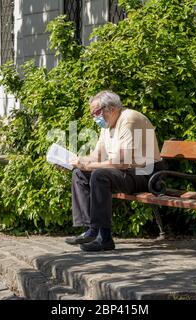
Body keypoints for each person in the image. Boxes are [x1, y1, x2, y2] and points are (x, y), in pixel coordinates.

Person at [65, 90, 167, 251]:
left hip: (147, 173)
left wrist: (89, 166)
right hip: (128, 171)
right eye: (92, 114)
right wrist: (75, 162)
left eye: (96, 113)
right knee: (79, 174)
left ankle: (104, 238)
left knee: (99, 175)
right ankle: (91, 229)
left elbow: (122, 161)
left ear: (111, 108)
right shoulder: (108, 125)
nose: (94, 118)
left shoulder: (129, 119)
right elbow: (96, 155)